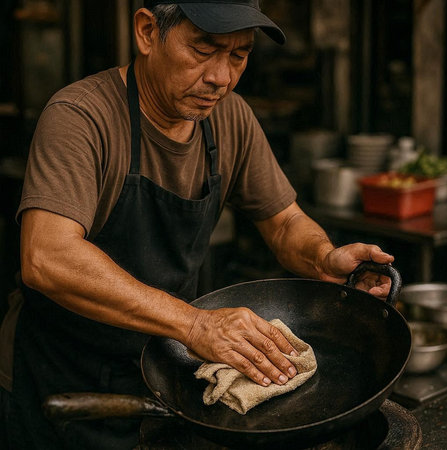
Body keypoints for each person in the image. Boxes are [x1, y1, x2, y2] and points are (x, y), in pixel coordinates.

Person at [0, 1, 394, 448]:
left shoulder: (230, 118)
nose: (220, 77)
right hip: (61, 374)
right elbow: (47, 257)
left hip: (168, 375)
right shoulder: (80, 117)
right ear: (148, 32)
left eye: (239, 55)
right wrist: (195, 326)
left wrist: (323, 257)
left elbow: (284, 222)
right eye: (204, 49)